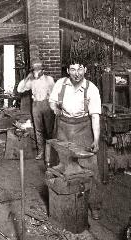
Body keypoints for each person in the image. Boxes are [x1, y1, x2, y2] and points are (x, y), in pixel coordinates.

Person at [49, 59, 102, 220]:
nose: (76, 73)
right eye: (72, 69)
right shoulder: (60, 84)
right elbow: (51, 101)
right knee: (63, 166)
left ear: (85, 69)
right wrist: (55, 109)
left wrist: (96, 140)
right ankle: (65, 200)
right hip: (63, 128)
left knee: (91, 167)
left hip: (83, 128)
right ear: (68, 71)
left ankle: (94, 205)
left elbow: (95, 117)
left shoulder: (91, 89)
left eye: (80, 69)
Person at [17, 59, 55, 160]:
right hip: (36, 105)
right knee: (38, 130)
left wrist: (53, 107)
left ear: (42, 70)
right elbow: (19, 89)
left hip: (47, 105)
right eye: (34, 71)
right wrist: (26, 78)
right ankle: (41, 152)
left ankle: (51, 153)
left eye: (38, 70)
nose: (36, 72)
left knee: (49, 130)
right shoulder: (31, 81)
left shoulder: (49, 79)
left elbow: (54, 95)